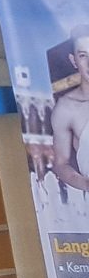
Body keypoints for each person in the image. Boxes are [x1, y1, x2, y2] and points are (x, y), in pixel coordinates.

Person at [53, 30, 89, 194]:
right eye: (83, 56)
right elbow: (61, 164)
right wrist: (85, 184)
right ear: (74, 60)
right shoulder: (66, 108)